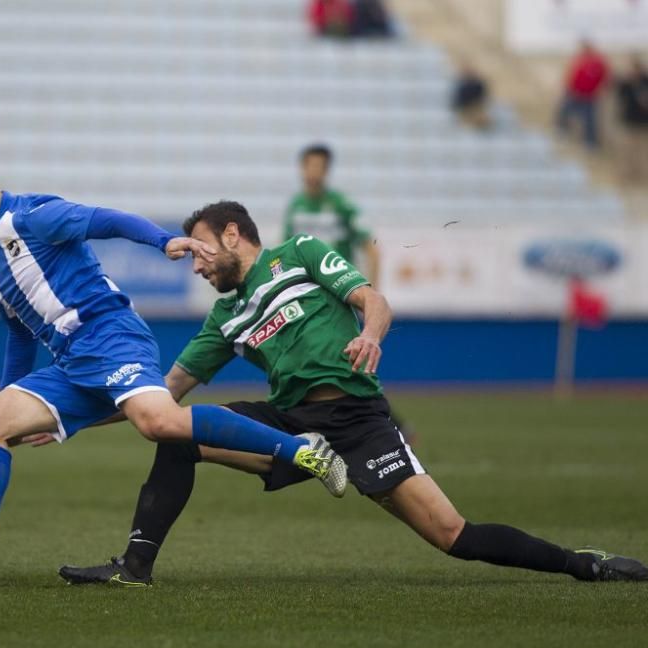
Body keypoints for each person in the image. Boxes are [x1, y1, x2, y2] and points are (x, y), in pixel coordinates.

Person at [58, 200, 648, 586]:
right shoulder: (224, 318)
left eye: (201, 248)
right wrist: (69, 420)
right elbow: (159, 394)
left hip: (358, 420)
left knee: (453, 536)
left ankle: (585, 565)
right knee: (179, 432)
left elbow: (374, 299)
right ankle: (135, 568)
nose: (195, 263)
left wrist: (369, 334)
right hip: (287, 427)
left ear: (232, 233)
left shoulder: (301, 254)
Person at [0, 150, 348, 577]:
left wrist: (163, 240)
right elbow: (20, 333)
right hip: (71, 362)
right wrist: (9, 405)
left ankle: (303, 449)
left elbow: (105, 219)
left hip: (112, 336)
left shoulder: (32, 216)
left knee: (158, 424)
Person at [283, 144, 380, 292]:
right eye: (309, 165)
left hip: (339, 291)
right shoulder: (296, 206)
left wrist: (372, 294)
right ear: (302, 167)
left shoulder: (341, 205)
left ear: (326, 170)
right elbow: (286, 251)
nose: (313, 171)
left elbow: (371, 249)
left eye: (318, 166)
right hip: (306, 292)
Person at [556, 40, 610, 150]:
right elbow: (572, 75)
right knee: (564, 111)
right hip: (574, 93)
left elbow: (605, 78)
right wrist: (568, 87)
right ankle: (562, 130)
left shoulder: (598, 61)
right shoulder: (579, 59)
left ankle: (590, 141)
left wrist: (601, 89)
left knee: (589, 120)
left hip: (589, 96)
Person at [615, 54, 648, 184]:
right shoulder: (626, 83)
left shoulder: (646, 80)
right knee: (627, 152)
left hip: (644, 122)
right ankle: (626, 177)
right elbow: (619, 96)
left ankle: (643, 177)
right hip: (628, 122)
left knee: (643, 152)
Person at [451, 61, 492, 131]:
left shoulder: (478, 84)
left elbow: (482, 97)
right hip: (465, 108)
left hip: (475, 107)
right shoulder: (460, 85)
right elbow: (457, 102)